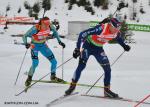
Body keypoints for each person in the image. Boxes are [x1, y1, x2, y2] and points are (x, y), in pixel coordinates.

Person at [65, 17, 131, 98]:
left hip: (98, 49)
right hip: (88, 46)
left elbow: (119, 39)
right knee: (81, 66)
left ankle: (107, 90)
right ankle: (72, 86)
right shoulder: (101, 28)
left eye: (118, 28)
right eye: (115, 28)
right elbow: (83, 34)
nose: (116, 30)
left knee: (107, 69)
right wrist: (77, 49)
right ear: (110, 25)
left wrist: (124, 46)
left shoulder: (116, 32)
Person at [22, 17, 65, 87]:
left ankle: (53, 77)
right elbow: (24, 36)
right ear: (41, 23)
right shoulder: (35, 28)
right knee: (35, 63)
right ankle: (29, 78)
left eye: (48, 24)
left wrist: (60, 42)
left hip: (43, 45)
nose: (47, 26)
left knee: (54, 62)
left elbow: (55, 32)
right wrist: (26, 43)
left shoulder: (50, 26)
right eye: (45, 24)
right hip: (34, 46)